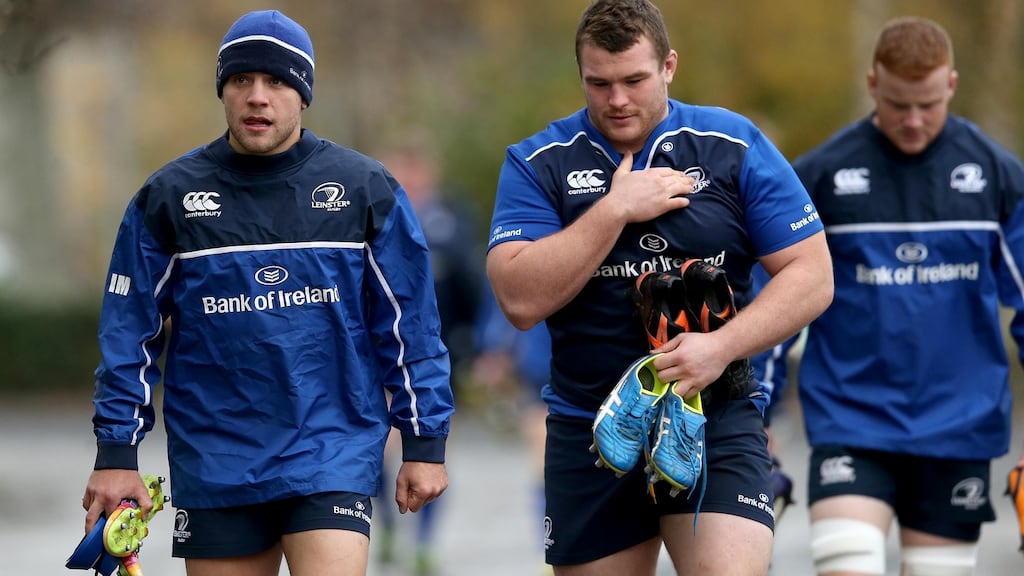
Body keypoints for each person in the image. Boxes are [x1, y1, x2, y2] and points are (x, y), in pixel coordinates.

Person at [79, 10, 454, 576]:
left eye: (277, 80)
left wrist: (424, 441)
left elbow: (410, 325)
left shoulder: (364, 189)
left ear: (303, 94)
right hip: (215, 458)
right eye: (241, 80)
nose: (258, 96)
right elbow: (129, 332)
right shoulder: (169, 197)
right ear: (223, 91)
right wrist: (116, 453)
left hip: (330, 452)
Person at [484, 1, 833, 574]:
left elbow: (813, 275)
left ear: (669, 66)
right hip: (592, 422)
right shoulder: (538, 162)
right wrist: (613, 209)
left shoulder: (732, 144)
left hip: (714, 412)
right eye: (599, 84)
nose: (617, 100)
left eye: (634, 80)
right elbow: (519, 300)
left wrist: (719, 348)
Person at [754, 16, 1024, 576]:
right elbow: (775, 301)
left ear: (951, 85)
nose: (913, 119)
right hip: (852, 420)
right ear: (873, 84)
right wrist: (758, 414)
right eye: (899, 104)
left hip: (959, 425)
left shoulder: (998, 178)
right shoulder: (820, 178)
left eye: (928, 104)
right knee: (847, 562)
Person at [370, 141, 484, 575]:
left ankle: (424, 543)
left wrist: (479, 345)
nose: (411, 181)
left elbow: (473, 283)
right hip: (381, 353)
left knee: (433, 446)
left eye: (417, 172)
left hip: (439, 354)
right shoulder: (372, 215)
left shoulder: (451, 221)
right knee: (383, 445)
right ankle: (385, 523)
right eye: (403, 172)